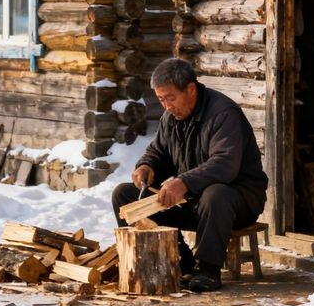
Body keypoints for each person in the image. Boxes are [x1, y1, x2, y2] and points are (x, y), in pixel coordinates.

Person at [112, 57, 268, 293]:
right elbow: (159, 152)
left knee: (216, 194)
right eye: (161, 99)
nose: (166, 106)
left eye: (170, 98)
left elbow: (225, 164)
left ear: (191, 89)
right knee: (124, 194)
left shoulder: (223, 113)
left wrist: (184, 181)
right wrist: (147, 166)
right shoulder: (170, 117)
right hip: (193, 200)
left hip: (237, 202)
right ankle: (178, 261)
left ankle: (207, 270)